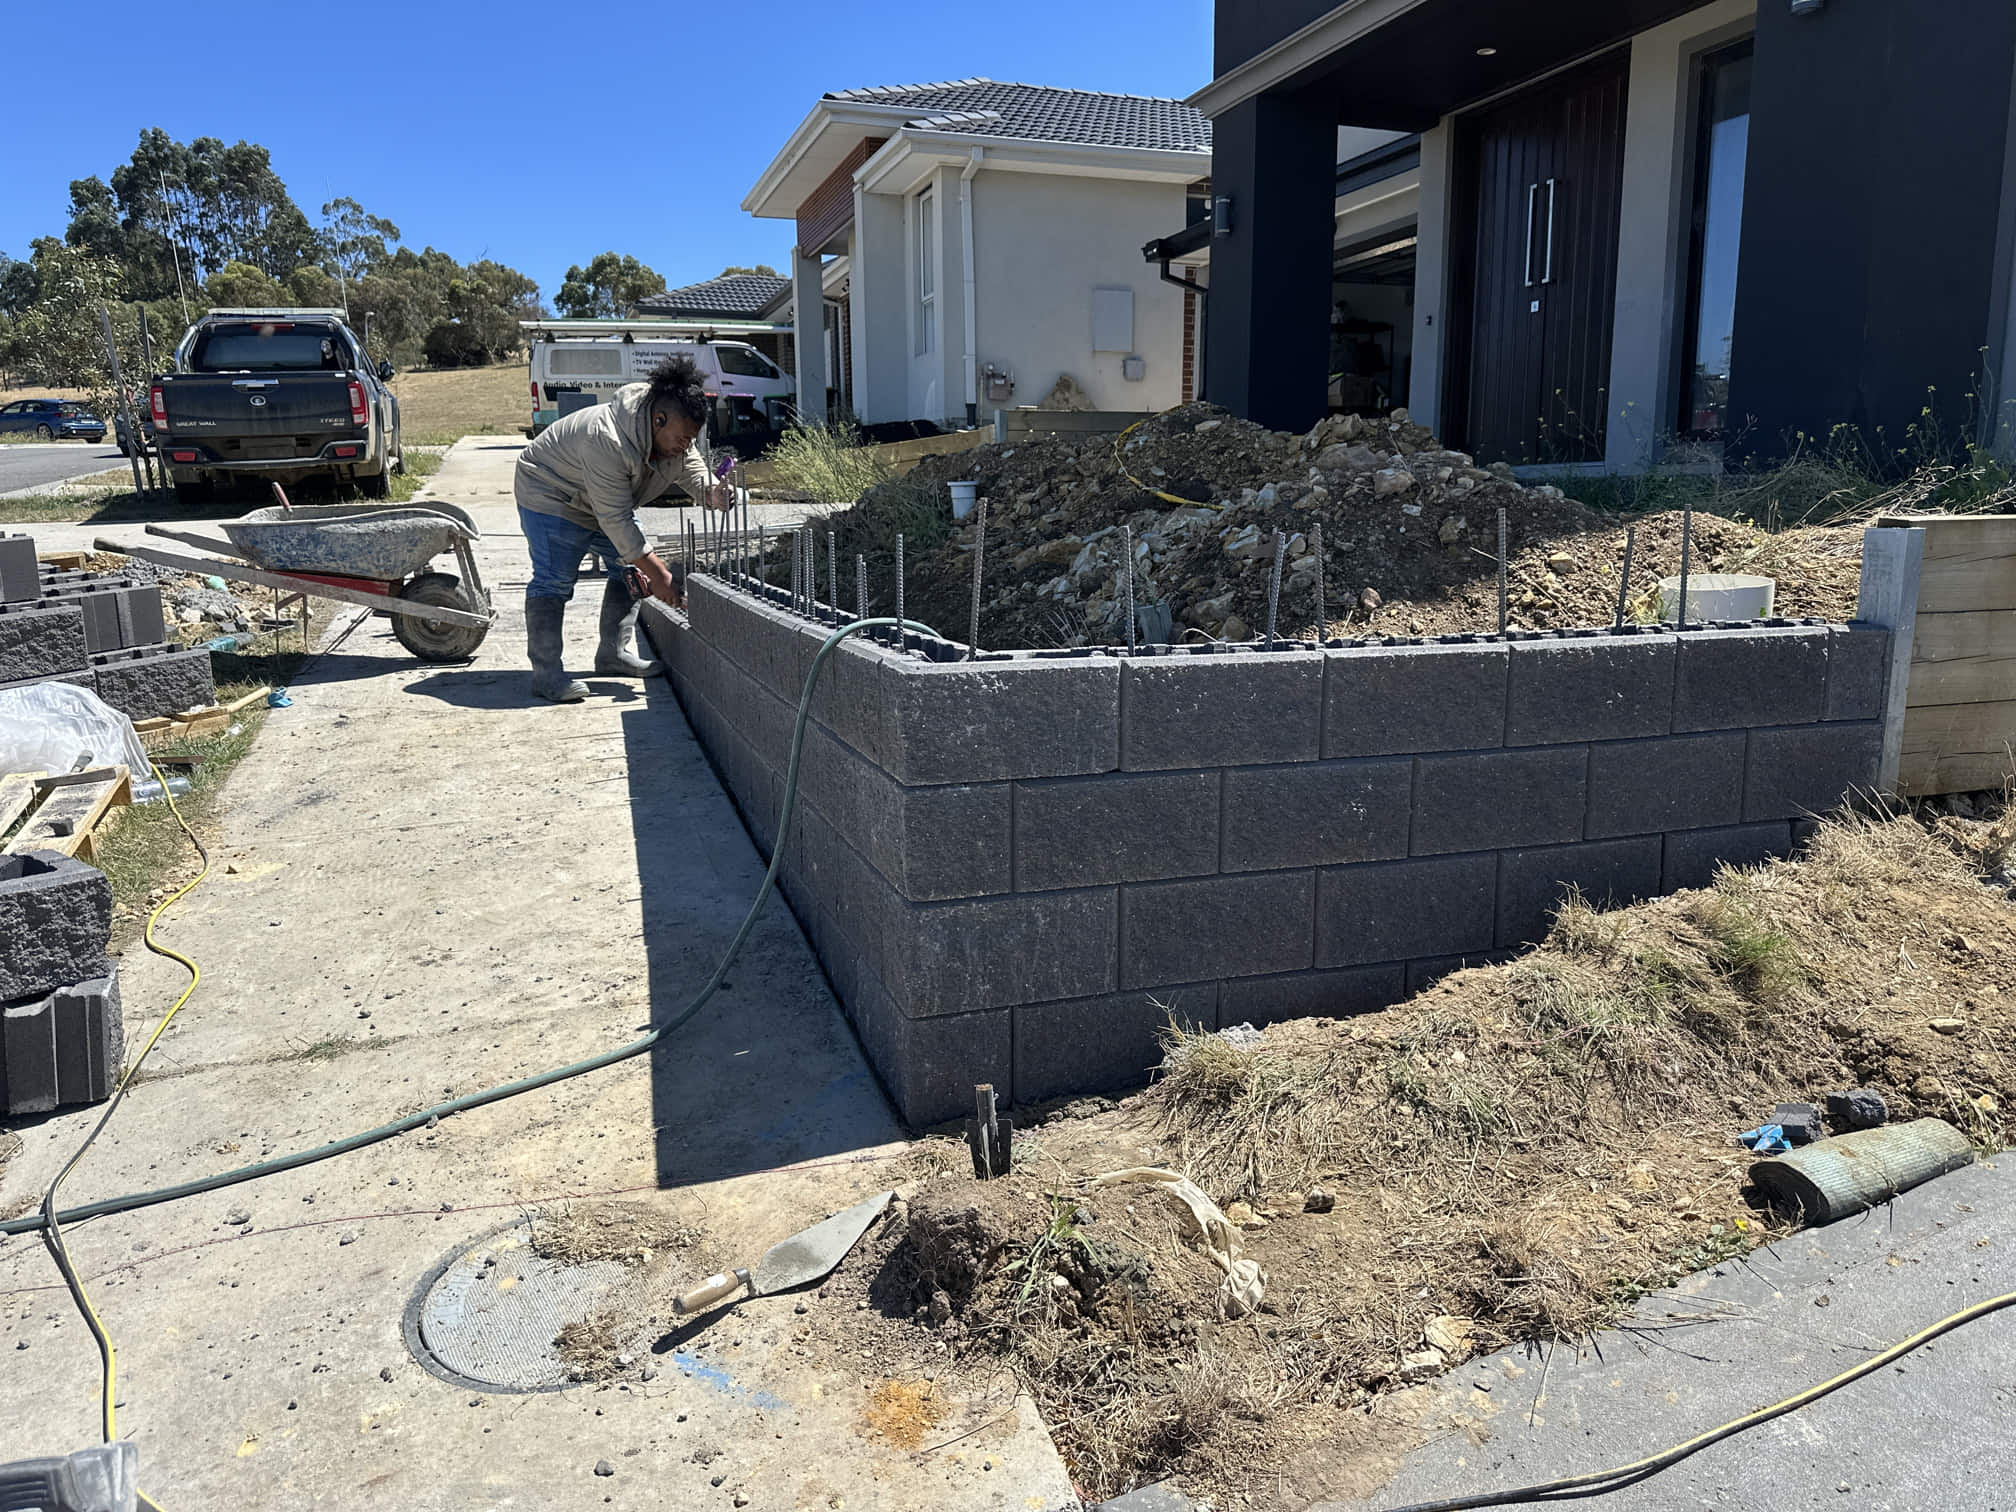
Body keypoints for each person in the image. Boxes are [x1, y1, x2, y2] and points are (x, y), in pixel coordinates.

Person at [512, 355, 733, 703]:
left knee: (628, 570)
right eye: (682, 438)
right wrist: (661, 576)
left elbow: (689, 465)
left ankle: (613, 655)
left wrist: (711, 492)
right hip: (551, 492)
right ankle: (546, 673)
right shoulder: (607, 438)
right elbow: (616, 519)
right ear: (659, 420)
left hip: (599, 500)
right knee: (554, 580)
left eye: (691, 439)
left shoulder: (671, 437)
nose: (685, 445)